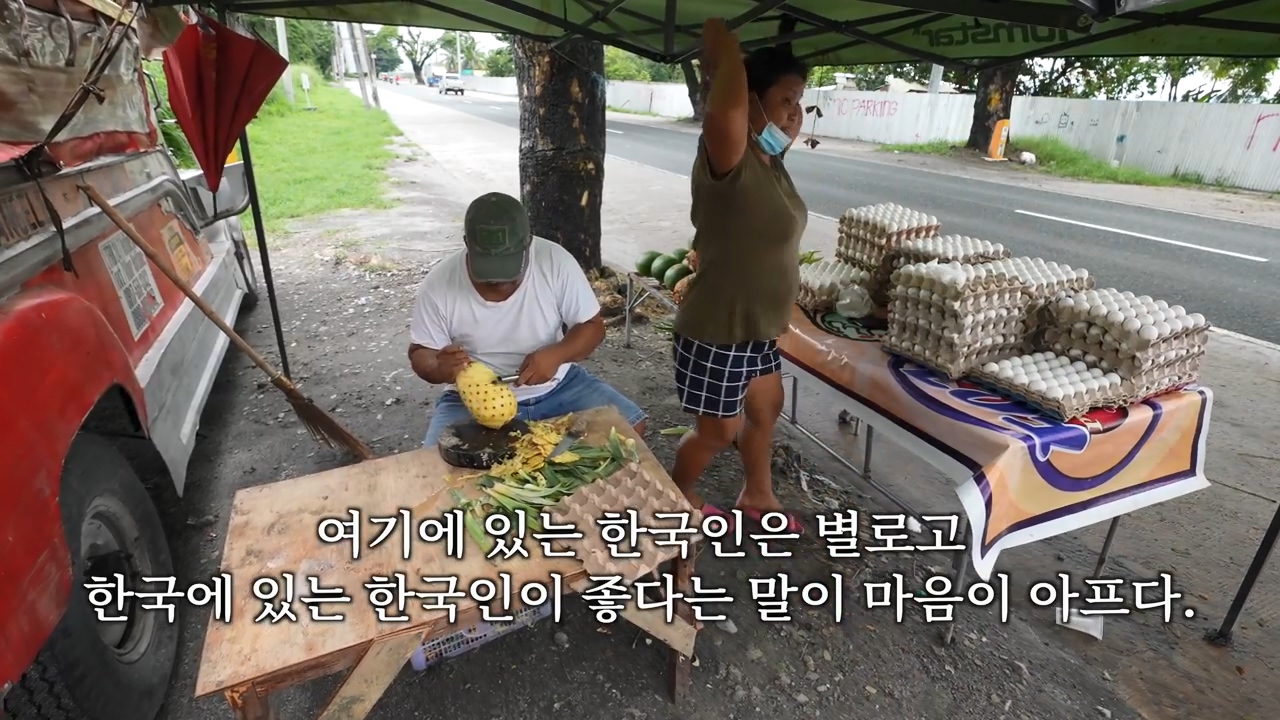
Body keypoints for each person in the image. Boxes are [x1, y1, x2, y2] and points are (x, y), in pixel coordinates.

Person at [668, 18, 809, 533]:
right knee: (717, 431)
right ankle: (673, 499)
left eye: (800, 104)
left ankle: (758, 497)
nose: (795, 115)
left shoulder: (770, 161)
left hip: (755, 329)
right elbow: (722, 113)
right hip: (717, 331)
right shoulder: (728, 158)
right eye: (786, 100)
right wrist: (726, 51)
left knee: (767, 407)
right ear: (750, 102)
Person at [409, 192, 646, 447]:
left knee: (631, 427)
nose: (498, 280)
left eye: (508, 268)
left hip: (559, 386)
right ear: (468, 243)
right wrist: (438, 368)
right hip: (474, 399)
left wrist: (557, 354)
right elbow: (421, 352)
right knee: (434, 465)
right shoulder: (439, 283)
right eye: (489, 267)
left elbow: (592, 328)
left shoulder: (555, 262)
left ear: (528, 242)